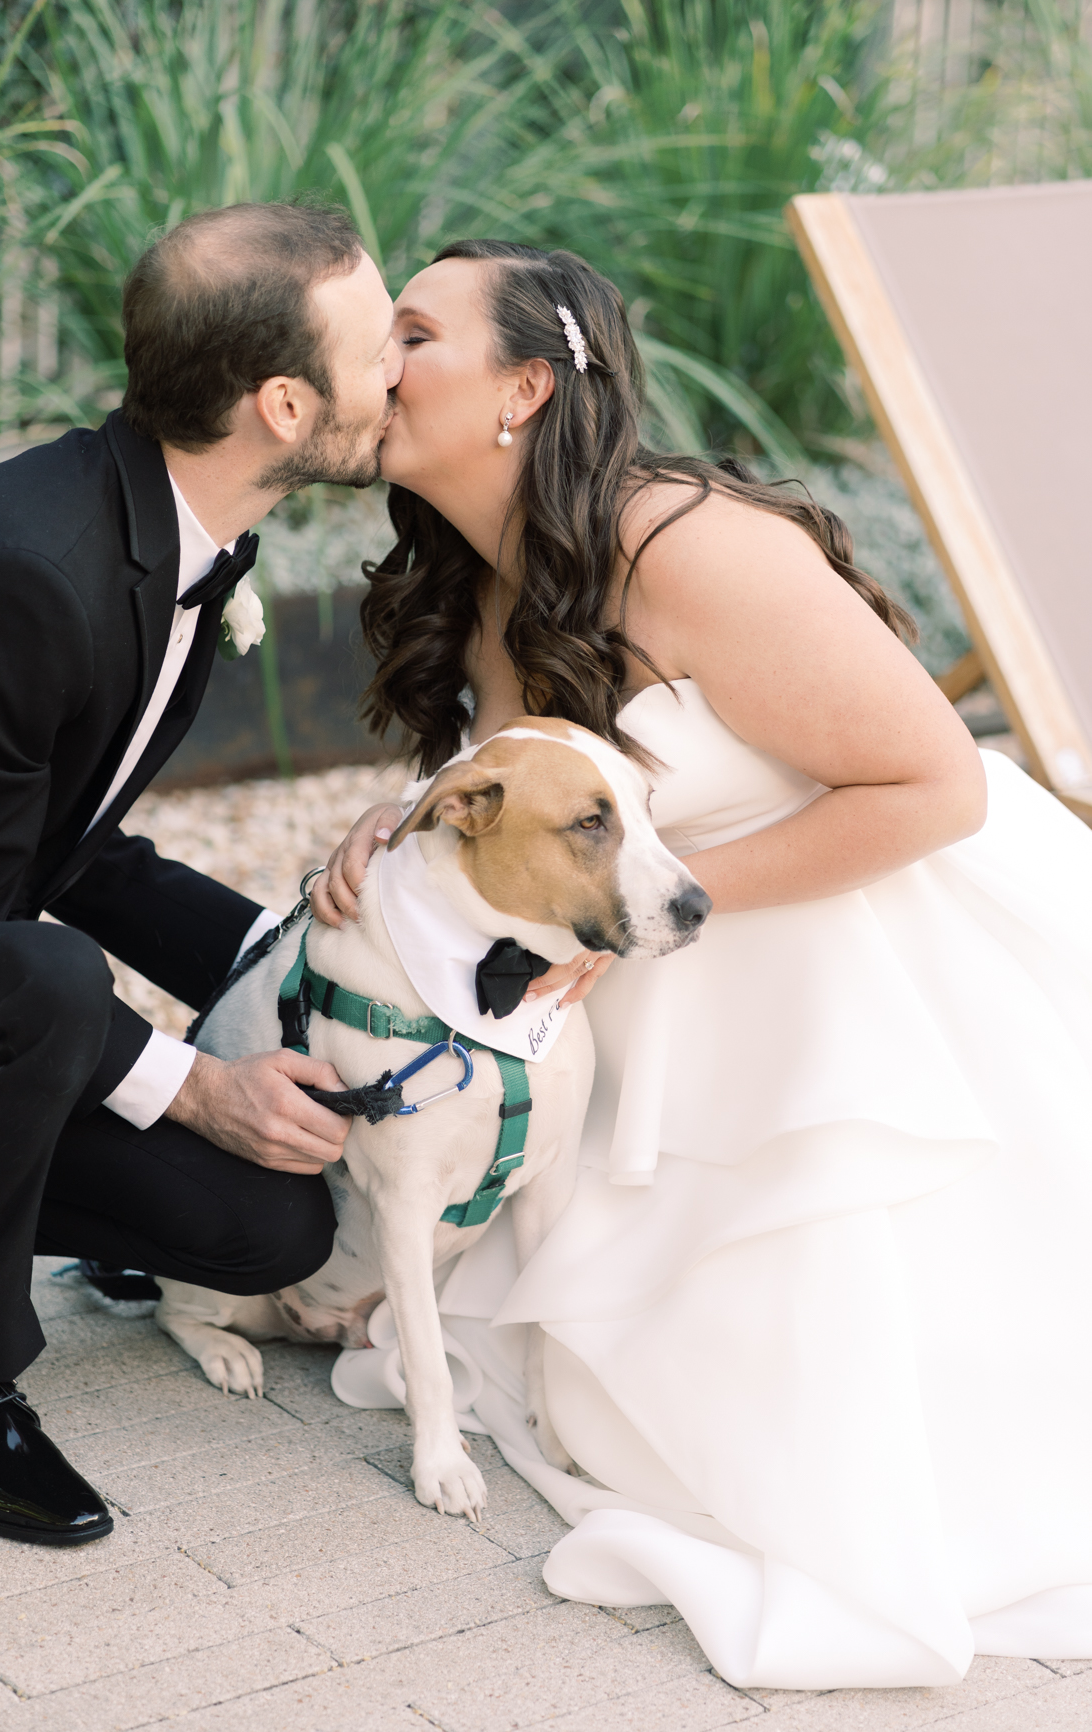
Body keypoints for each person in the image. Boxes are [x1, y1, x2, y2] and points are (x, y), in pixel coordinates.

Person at [313, 239, 1092, 1688]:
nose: (378, 362)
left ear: (523, 389)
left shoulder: (686, 546)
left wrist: (644, 915)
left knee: (799, 1435)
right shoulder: (480, 575)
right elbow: (537, 799)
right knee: (604, 1394)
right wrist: (398, 830)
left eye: (413, 333)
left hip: (862, 969)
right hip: (653, 1017)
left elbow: (937, 790)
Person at [0, 201, 403, 1545]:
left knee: (265, 1232)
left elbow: (70, 844)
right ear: (282, 404)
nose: (402, 374)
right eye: (378, 351)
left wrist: (308, 959)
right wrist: (195, 1084)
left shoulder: (178, 524)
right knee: (43, 971)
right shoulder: (20, 571)